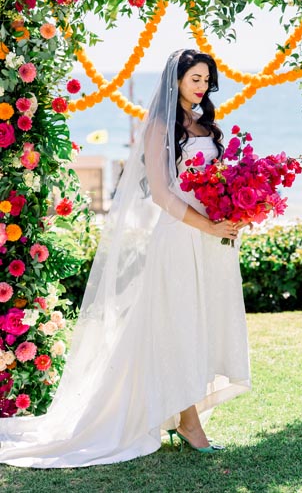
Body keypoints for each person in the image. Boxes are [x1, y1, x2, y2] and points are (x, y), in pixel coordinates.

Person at [0, 49, 250, 468]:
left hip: (212, 240)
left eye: (207, 79)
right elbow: (161, 192)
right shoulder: (158, 128)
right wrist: (205, 225)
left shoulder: (206, 125)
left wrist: (236, 210)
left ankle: (184, 414)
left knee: (201, 322)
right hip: (179, 238)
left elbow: (217, 180)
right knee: (179, 325)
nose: (202, 86)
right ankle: (188, 421)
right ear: (176, 80)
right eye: (195, 78)